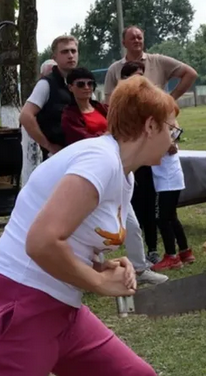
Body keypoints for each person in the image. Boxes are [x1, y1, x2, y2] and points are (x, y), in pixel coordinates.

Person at [0, 76, 178, 376]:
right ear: (151, 126)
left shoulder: (123, 175)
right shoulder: (100, 161)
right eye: (172, 129)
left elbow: (71, 238)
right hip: (20, 308)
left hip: (63, 309)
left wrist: (100, 266)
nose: (174, 140)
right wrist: (99, 283)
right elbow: (41, 242)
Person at [59, 65, 168, 287]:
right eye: (81, 84)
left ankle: (140, 268)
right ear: (70, 87)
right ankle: (86, 274)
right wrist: (110, 140)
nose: (86, 88)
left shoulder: (101, 108)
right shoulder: (69, 115)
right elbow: (83, 139)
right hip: (92, 174)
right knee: (90, 230)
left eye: (90, 83)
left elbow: (120, 129)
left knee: (131, 226)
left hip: (118, 172)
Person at [104, 27, 198, 263]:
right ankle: (150, 248)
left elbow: (190, 73)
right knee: (140, 198)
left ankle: (162, 250)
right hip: (132, 143)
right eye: (132, 37)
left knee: (160, 205)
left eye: (140, 36)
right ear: (123, 41)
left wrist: (168, 100)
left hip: (158, 144)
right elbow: (109, 104)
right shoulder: (115, 69)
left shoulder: (157, 61)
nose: (136, 40)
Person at [20, 35, 80, 160]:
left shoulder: (84, 82)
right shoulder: (46, 84)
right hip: (58, 158)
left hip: (82, 154)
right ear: (54, 58)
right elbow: (25, 116)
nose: (70, 55)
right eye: (64, 52)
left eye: (73, 51)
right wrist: (48, 146)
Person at [151, 142, 195, 271]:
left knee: (162, 219)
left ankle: (171, 257)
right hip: (172, 178)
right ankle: (184, 251)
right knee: (171, 216)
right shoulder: (167, 128)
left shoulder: (159, 130)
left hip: (165, 181)